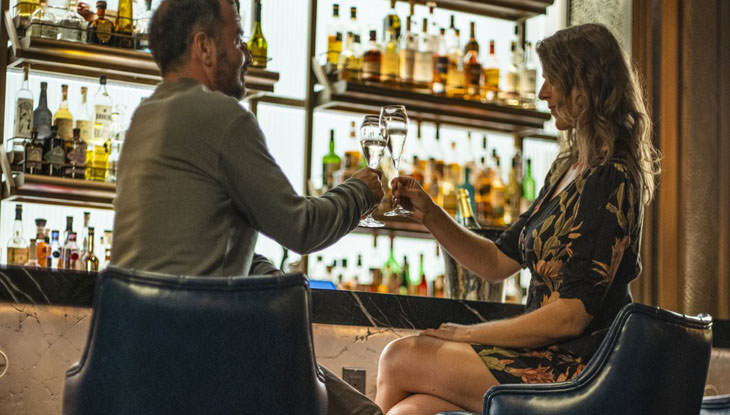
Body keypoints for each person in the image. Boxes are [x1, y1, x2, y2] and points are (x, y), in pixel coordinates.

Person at [110, 0, 384, 414]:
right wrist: (361, 189)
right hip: (206, 358)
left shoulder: (145, 119)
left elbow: (193, 245)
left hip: (128, 359)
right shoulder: (221, 115)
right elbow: (302, 228)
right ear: (204, 47)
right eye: (236, 38)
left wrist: (262, 273)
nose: (247, 53)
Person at [376, 23, 660, 414]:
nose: (542, 92)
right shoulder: (567, 170)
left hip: (577, 370)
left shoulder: (612, 176)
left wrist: (466, 334)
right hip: (544, 358)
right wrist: (429, 213)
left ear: (585, 87)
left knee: (398, 358)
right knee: (412, 410)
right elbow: (496, 263)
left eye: (551, 80)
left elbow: (570, 318)